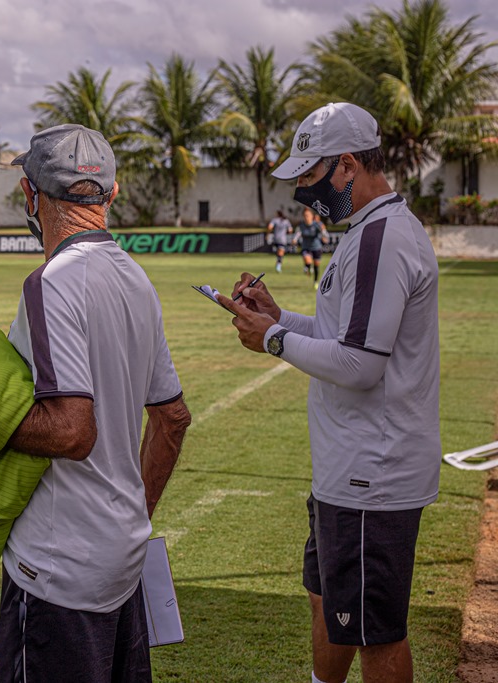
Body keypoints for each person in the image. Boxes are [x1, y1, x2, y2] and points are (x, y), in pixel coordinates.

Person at [217, 103, 440, 683]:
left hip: (374, 475)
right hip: (351, 471)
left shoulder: (380, 238)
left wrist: (271, 340)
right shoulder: (367, 232)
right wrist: (280, 318)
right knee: (327, 602)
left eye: (309, 177)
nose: (303, 193)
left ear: (347, 166)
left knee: (376, 634)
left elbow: (361, 364)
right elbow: (347, 335)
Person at [0, 123, 192, 682]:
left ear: (30, 196)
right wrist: (132, 514)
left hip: (59, 568)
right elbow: (172, 418)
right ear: (111, 193)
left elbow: (70, 431)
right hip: (122, 558)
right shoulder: (137, 279)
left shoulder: (51, 282)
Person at [293, 206, 330, 287]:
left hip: (316, 247)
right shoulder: (302, 225)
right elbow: (298, 233)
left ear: (312, 216)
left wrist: (325, 237)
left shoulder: (317, 224)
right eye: (305, 216)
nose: (306, 217)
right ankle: (308, 267)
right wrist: (295, 239)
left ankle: (315, 281)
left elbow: (324, 233)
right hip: (306, 247)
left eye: (308, 215)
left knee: (316, 265)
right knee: (307, 259)